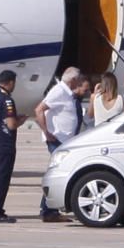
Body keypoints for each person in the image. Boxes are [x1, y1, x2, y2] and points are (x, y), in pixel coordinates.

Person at [34, 66, 88, 221]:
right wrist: (46, 132)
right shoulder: (59, 91)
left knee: (58, 173)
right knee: (59, 173)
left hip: (65, 141)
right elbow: (39, 110)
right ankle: (48, 211)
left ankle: (48, 210)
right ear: (73, 80)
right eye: (78, 80)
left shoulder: (67, 93)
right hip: (57, 140)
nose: (79, 83)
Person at [0, 69, 27, 223]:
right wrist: (21, 120)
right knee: (2, 180)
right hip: (4, 145)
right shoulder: (7, 100)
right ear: (11, 82)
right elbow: (11, 124)